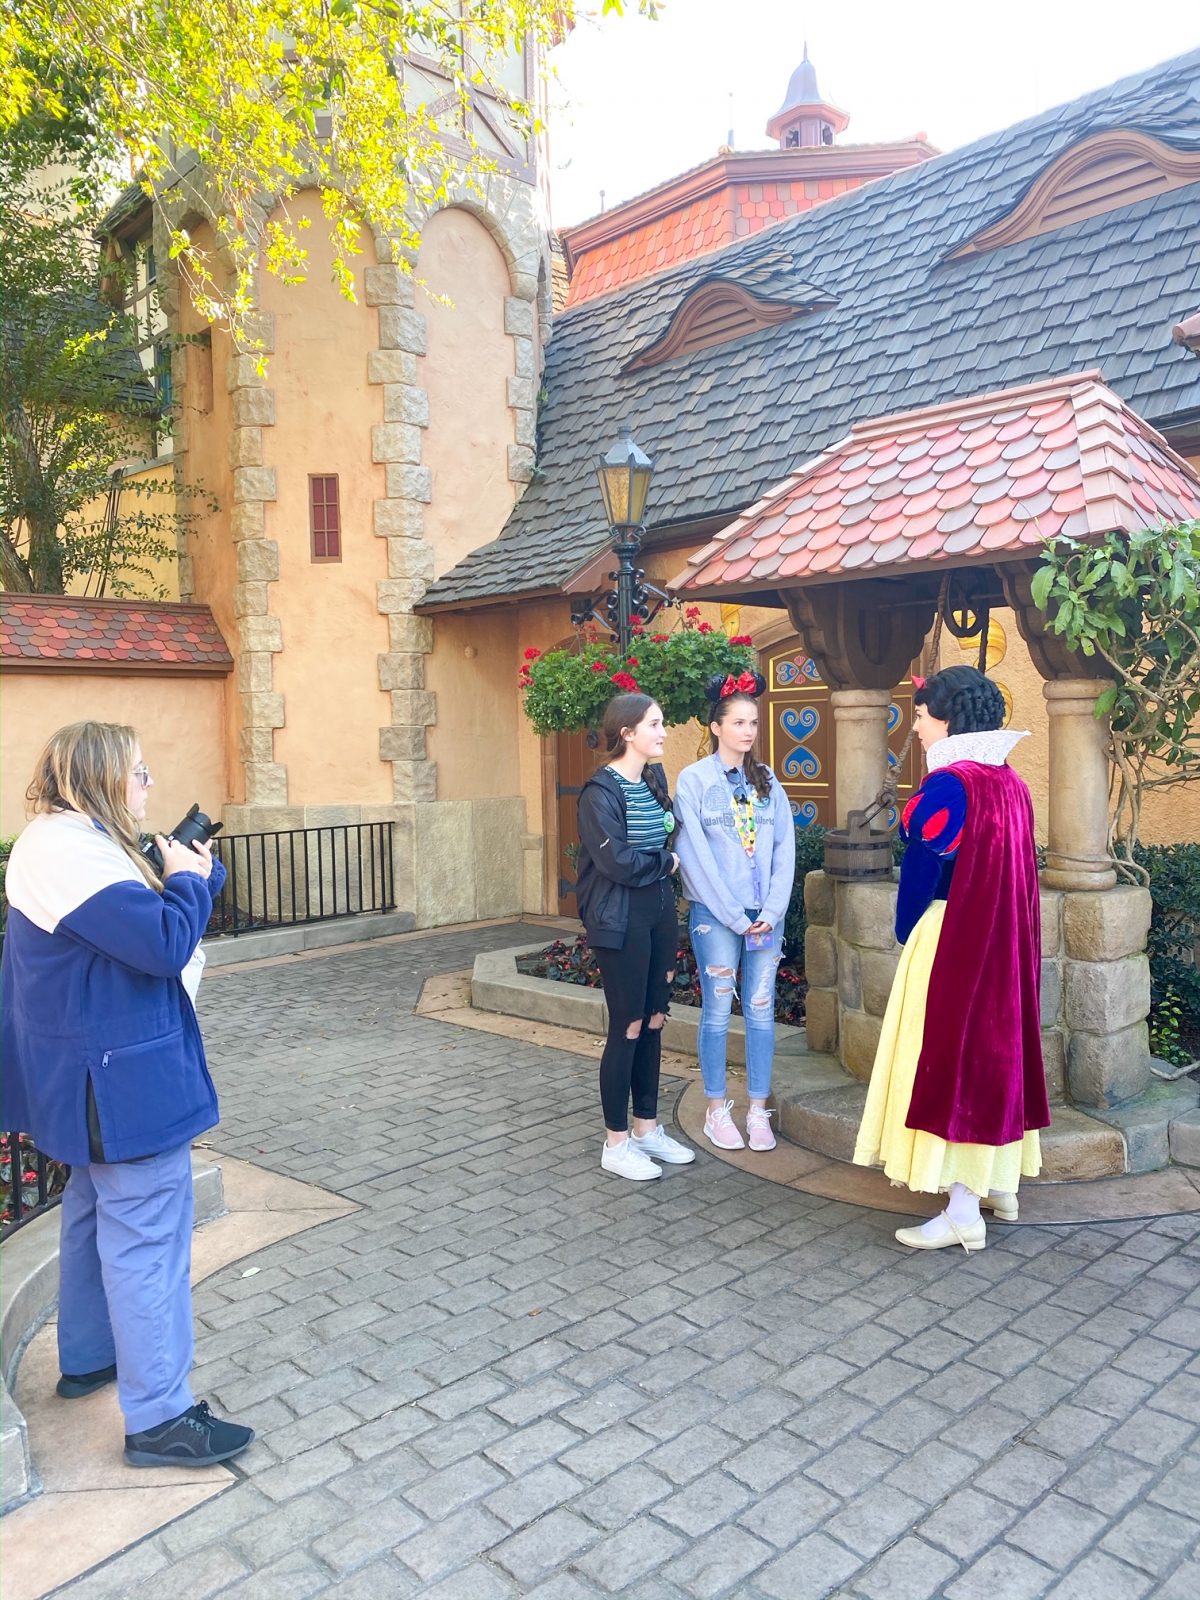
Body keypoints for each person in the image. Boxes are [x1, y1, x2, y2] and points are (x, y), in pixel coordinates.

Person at [0, 722, 255, 1467]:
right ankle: (160, 1418)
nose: (148, 786)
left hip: (86, 1081)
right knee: (149, 1237)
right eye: (139, 773)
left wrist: (181, 876)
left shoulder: (60, 844)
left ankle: (89, 1357)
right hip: (116, 1085)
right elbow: (164, 944)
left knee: (90, 1214)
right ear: (104, 779)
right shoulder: (73, 854)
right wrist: (187, 881)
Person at [852, 666, 1049, 1251]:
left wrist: (908, 930)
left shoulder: (947, 786)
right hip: (1004, 944)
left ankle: (964, 1209)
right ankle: (996, 1181)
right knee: (996, 1056)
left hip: (954, 937)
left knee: (950, 1060)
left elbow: (920, 873)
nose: (913, 726)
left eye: (919, 714)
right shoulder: (1011, 782)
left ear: (946, 717)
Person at [674, 671, 796, 1152]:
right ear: (716, 726)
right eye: (739, 722)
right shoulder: (695, 781)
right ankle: (715, 1109)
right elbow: (695, 856)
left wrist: (772, 908)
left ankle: (758, 1111)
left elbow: (783, 850)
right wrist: (734, 916)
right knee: (719, 1011)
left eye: (753, 723)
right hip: (716, 916)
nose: (748, 731)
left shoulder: (768, 783)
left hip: (766, 915)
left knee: (762, 1012)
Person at [576, 693, 696, 1181]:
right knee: (626, 1027)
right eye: (655, 724)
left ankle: (647, 1130)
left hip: (659, 915)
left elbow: (662, 835)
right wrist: (666, 862)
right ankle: (616, 1142)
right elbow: (617, 863)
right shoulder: (598, 793)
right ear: (626, 732)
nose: (663, 732)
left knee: (654, 1022)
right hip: (619, 921)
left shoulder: (652, 779)